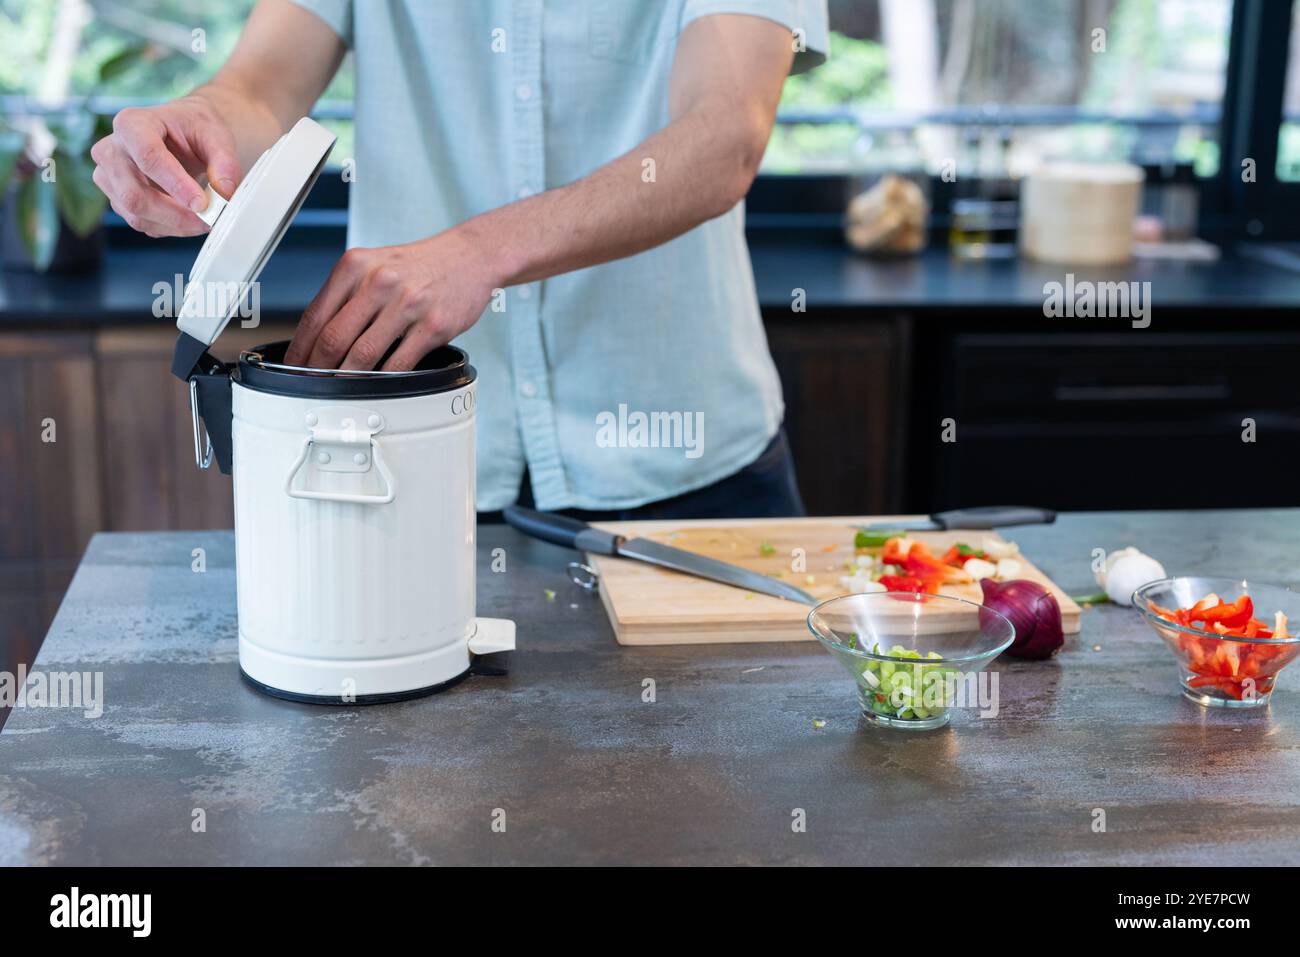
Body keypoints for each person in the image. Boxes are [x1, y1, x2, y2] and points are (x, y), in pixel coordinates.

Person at [91, 0, 828, 520]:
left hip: (689, 462)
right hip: (415, 464)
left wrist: (479, 252)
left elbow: (725, 132)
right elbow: (262, 84)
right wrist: (204, 125)